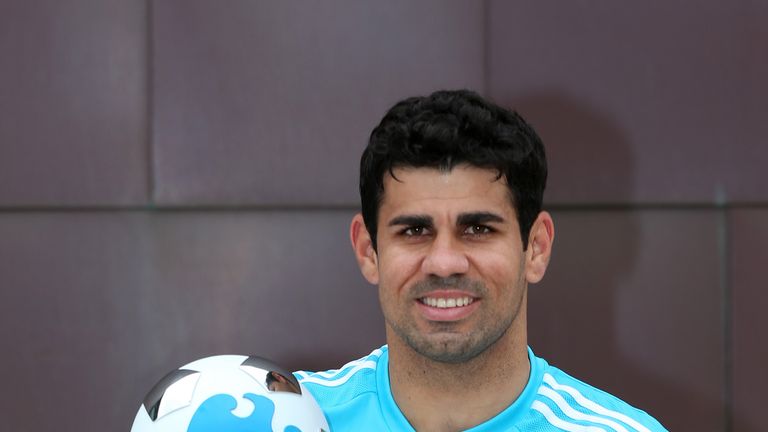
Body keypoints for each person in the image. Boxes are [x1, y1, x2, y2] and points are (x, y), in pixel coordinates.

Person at [295, 90, 666, 431]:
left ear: (536, 247)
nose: (444, 262)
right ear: (367, 250)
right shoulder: (285, 416)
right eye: (414, 231)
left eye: (478, 229)